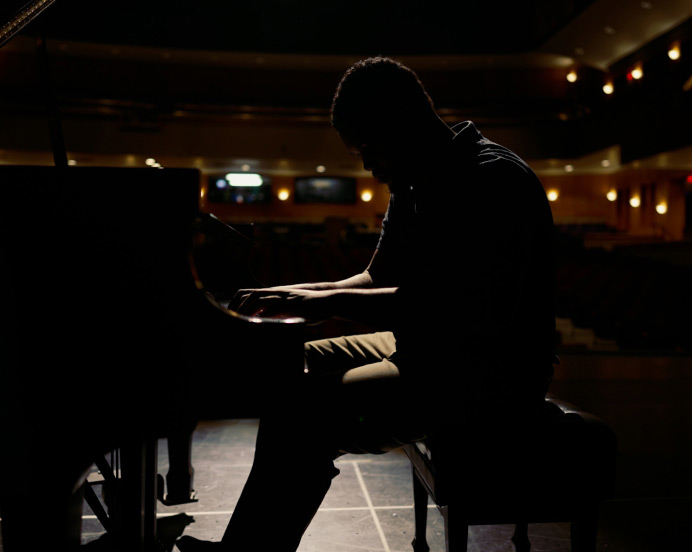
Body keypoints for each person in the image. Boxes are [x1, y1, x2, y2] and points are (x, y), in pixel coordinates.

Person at [176, 56, 556, 552]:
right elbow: (378, 276)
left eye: (370, 148)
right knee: (285, 364)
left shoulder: (491, 179)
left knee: (308, 412)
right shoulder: (414, 181)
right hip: (432, 348)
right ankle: (250, 543)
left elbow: (466, 309)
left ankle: (249, 551)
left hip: (493, 369)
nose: (367, 166)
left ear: (404, 120)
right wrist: (304, 294)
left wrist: (326, 300)